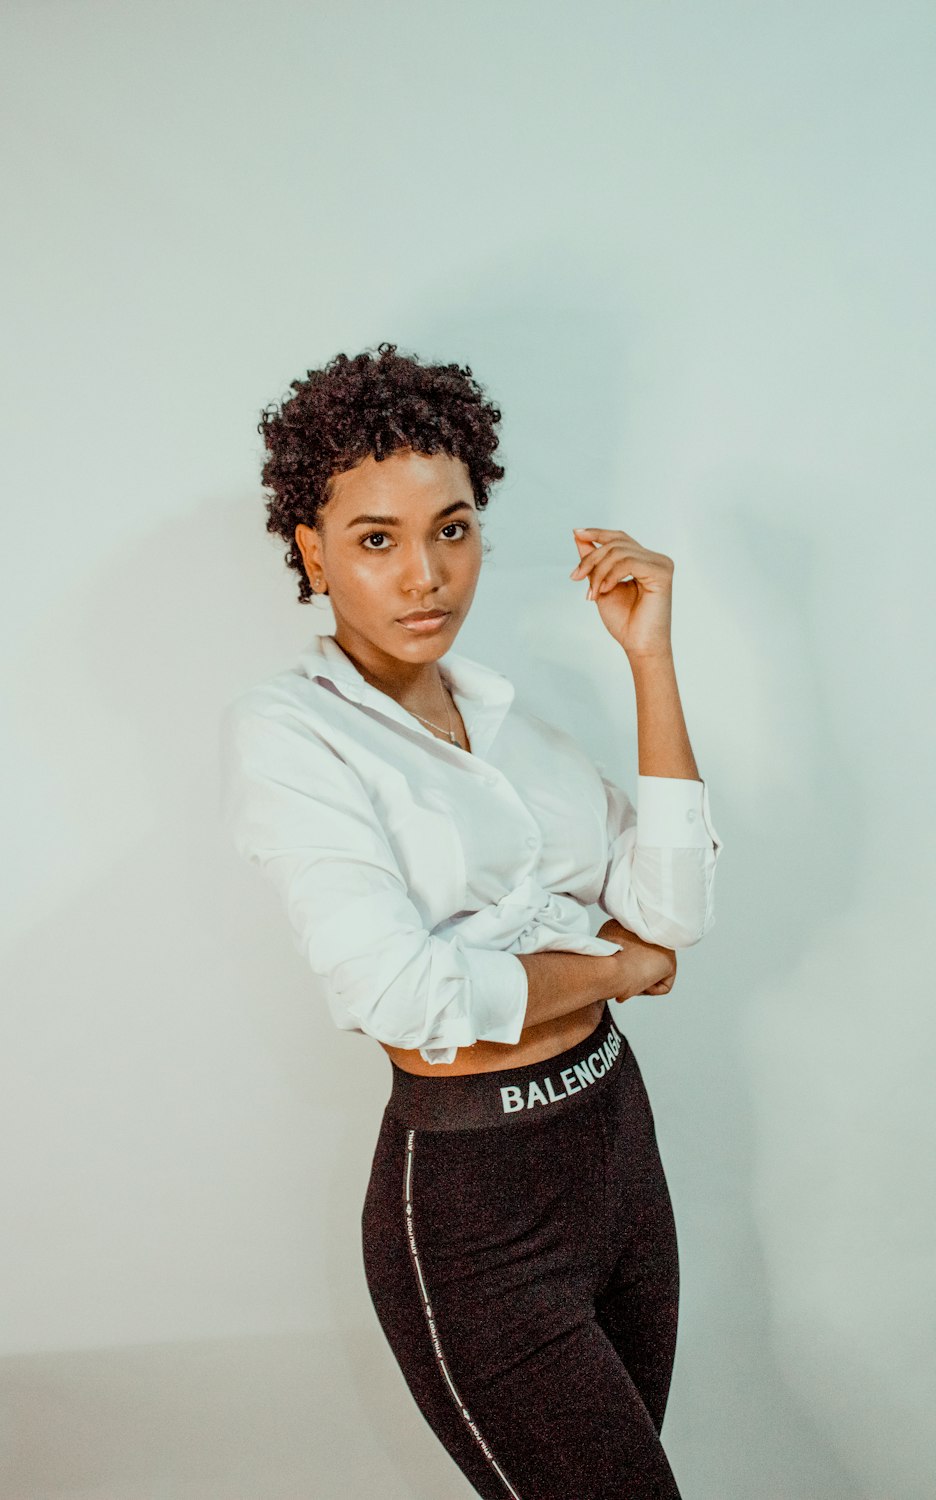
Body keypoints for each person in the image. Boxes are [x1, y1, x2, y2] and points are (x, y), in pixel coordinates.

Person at [219, 342, 723, 1498]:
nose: (424, 578)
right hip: (475, 1212)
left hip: (616, 1157)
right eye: (376, 539)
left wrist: (649, 660)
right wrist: (613, 970)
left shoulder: (509, 721)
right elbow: (400, 995)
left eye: (451, 529)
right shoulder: (292, 737)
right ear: (313, 552)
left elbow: (672, 910)